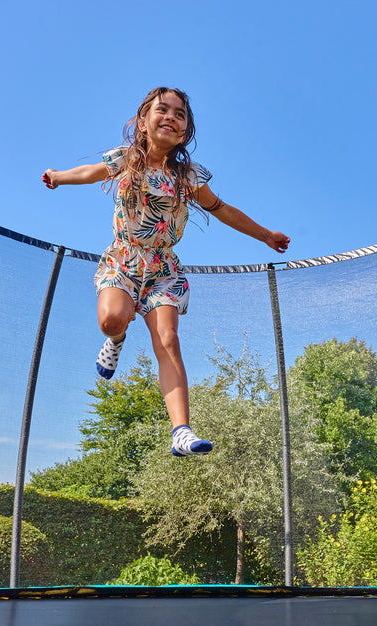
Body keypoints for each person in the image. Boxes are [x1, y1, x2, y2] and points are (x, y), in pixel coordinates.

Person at [42, 87, 290, 457]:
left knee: (169, 339)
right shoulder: (126, 159)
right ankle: (116, 339)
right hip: (124, 259)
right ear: (143, 122)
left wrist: (265, 235)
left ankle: (181, 432)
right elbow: (90, 172)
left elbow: (222, 209)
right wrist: (59, 176)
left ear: (185, 131)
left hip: (163, 267)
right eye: (162, 110)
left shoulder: (188, 176)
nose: (171, 117)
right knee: (112, 319)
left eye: (180, 114)